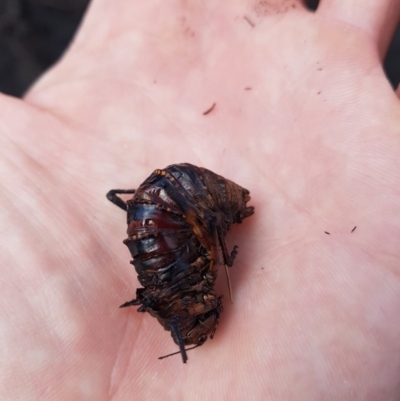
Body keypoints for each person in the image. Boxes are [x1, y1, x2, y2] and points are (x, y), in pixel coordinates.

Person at [1, 0, 399, 399]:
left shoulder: (190, 271)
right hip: (170, 204)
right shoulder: (180, 279)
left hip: (182, 199)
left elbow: (199, 252)